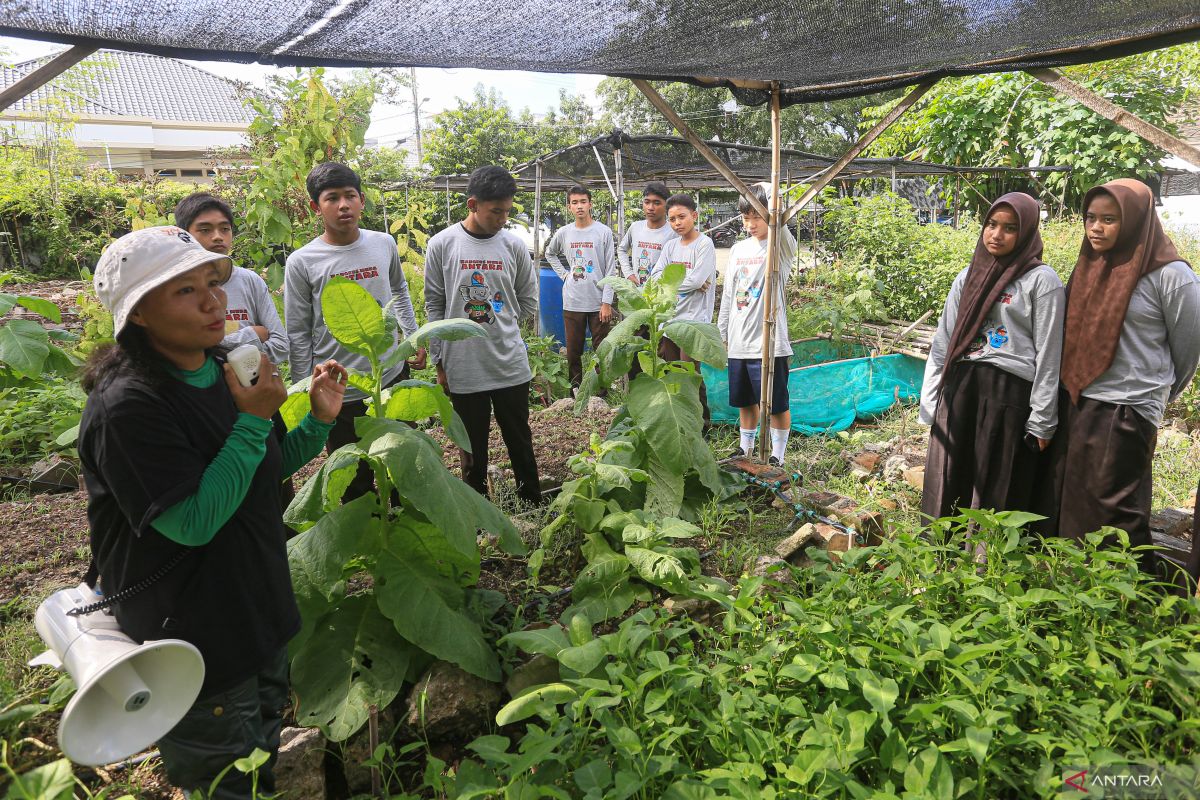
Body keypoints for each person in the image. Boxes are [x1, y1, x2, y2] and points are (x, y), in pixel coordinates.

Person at [77, 226, 347, 798]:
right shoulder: (127, 405)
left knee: (263, 754)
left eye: (212, 283)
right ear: (138, 315)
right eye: (183, 290)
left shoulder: (230, 363)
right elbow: (192, 522)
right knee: (224, 781)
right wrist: (252, 420)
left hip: (259, 608)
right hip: (193, 636)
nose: (212, 302)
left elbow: (262, 471)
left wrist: (317, 421)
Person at [1041, 178, 1200, 585]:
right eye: (1090, 218)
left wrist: (1153, 394)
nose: (1096, 228)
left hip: (1127, 407)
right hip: (1076, 399)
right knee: (1073, 504)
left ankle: (1129, 599)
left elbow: (1187, 351)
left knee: (1116, 511)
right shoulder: (1090, 266)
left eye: (1109, 220)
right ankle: (1077, 592)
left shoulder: (1172, 276)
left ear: (1137, 221)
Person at [919, 192, 1065, 529]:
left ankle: (988, 565)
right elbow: (944, 341)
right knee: (950, 477)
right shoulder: (969, 275)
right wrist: (930, 399)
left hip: (1008, 395)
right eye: (991, 224)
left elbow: (1049, 354)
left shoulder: (1041, 281)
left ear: (1026, 233)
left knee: (996, 485)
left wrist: (1043, 417)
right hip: (961, 389)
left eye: (1009, 228)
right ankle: (939, 558)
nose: (996, 235)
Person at [283, 162, 421, 500]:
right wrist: (306, 387)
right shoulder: (303, 261)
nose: (343, 205)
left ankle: (404, 525)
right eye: (332, 198)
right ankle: (367, 544)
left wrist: (413, 336)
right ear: (316, 207)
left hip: (389, 377)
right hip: (339, 388)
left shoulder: (383, 243)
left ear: (362, 200)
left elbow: (399, 290)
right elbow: (299, 331)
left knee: (404, 466)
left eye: (350, 196)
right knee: (353, 480)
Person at [424, 165, 542, 505]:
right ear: (473, 204)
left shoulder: (514, 246)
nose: (502, 219)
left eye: (507, 211)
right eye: (496, 211)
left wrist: (500, 320)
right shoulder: (443, 244)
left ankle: (532, 503)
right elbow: (435, 304)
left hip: (509, 361)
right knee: (471, 446)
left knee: (519, 438)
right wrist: (439, 358)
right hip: (463, 364)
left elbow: (529, 300)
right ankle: (475, 511)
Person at [717, 186, 797, 465]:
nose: (750, 224)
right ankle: (745, 448)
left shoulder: (780, 247)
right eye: (745, 218)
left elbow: (780, 216)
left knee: (776, 403)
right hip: (739, 342)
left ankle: (777, 455)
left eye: (757, 217)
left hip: (770, 343)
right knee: (745, 401)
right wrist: (722, 333)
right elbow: (729, 294)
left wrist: (769, 193)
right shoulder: (738, 249)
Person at [174, 192, 288, 365]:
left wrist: (214, 354)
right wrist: (251, 335)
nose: (218, 236)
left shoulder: (250, 281)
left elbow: (280, 347)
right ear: (185, 235)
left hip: (252, 390)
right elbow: (183, 352)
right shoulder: (175, 287)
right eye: (205, 230)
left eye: (225, 229)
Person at [650, 193, 717, 425]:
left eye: (682, 217)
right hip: (670, 322)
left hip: (693, 321)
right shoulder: (670, 246)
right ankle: (680, 420)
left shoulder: (704, 244)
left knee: (690, 373)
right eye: (672, 219)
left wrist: (677, 280)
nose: (677, 223)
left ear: (694, 216)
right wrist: (690, 281)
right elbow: (655, 275)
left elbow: (698, 280)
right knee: (672, 372)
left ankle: (702, 422)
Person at [544, 185, 616, 391]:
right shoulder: (564, 232)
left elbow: (610, 269)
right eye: (574, 203)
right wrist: (565, 274)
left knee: (601, 348)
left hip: (598, 301)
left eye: (583, 202)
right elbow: (550, 253)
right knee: (574, 349)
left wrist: (606, 302)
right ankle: (575, 388)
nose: (579, 206)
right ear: (569, 207)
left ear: (590, 204)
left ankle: (602, 389)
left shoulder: (603, 232)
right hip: (573, 299)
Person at [618, 181, 676, 286]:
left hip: (662, 293)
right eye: (647, 202)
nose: (650, 207)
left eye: (657, 203)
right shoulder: (635, 227)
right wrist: (628, 274)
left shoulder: (674, 232)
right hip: (638, 292)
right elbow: (622, 249)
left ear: (667, 206)